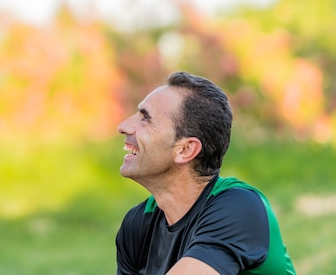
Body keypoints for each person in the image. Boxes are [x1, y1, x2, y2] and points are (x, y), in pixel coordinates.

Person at [115, 71, 296, 275]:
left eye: (146, 119)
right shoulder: (138, 225)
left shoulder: (239, 208)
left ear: (185, 150)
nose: (124, 127)